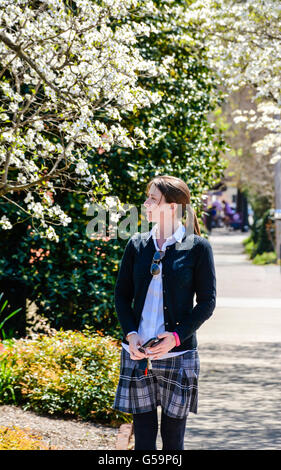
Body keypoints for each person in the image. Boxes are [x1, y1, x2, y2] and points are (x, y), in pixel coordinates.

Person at [112, 175, 216, 450]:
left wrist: (176, 337)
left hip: (179, 356)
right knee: (143, 441)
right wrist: (131, 335)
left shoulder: (197, 248)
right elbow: (121, 296)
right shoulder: (136, 244)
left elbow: (207, 302)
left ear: (172, 207)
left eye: (152, 199)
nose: (146, 204)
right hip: (138, 354)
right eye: (147, 198)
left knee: (173, 441)